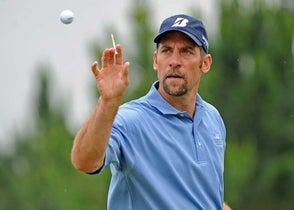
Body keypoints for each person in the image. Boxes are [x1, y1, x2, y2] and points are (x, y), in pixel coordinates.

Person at [71, 14, 230, 210]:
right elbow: (83, 161)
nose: (174, 61)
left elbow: (204, 196)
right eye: (166, 51)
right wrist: (107, 103)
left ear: (205, 63)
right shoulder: (130, 120)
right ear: (156, 60)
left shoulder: (212, 118)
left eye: (186, 51)